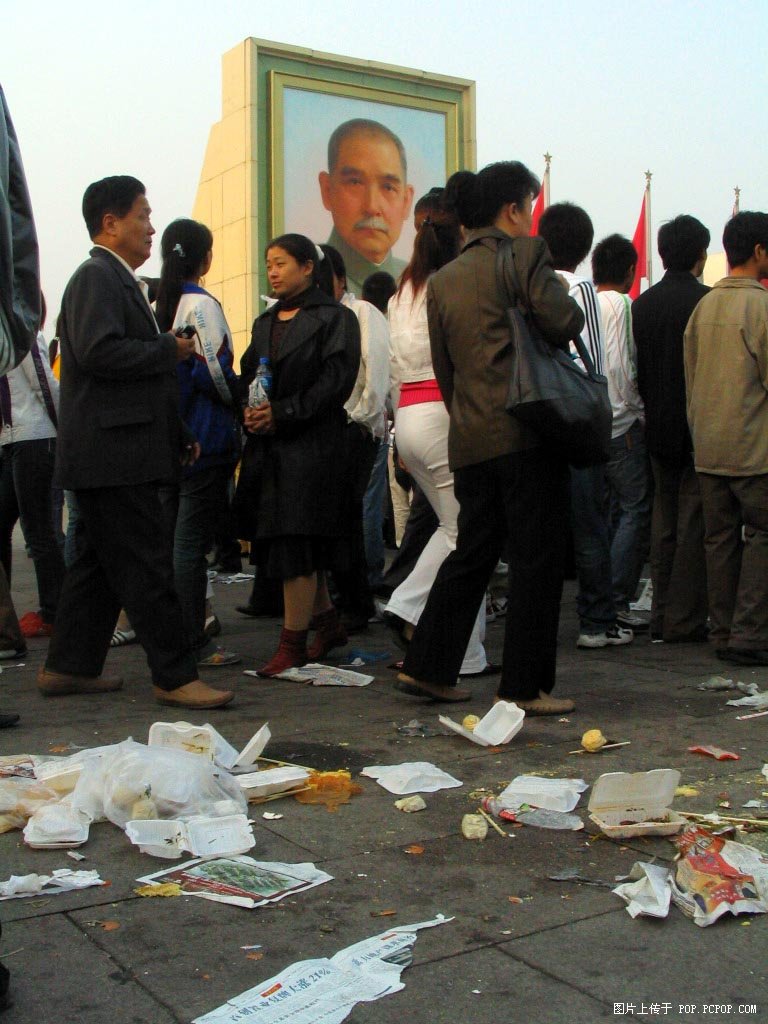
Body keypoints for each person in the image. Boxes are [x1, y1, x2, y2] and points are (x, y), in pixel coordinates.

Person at [37, 176, 233, 709]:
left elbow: (130, 376)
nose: (151, 228)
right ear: (110, 223)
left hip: (116, 449)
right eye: (142, 216)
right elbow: (99, 353)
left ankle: (67, 668)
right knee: (148, 566)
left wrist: (177, 431)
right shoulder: (97, 278)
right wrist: (168, 349)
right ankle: (175, 675)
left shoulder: (119, 280)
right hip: (113, 455)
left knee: (97, 569)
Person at [398, 161, 584, 711]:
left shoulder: (446, 278)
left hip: (470, 435)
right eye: (529, 206)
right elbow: (564, 322)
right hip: (526, 431)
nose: (530, 217)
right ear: (512, 209)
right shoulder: (525, 255)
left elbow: (446, 367)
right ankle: (524, 686)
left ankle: (428, 666)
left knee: (472, 552)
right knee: (536, 559)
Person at [235, 234, 360, 676]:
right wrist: (250, 410)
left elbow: (335, 383)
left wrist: (284, 412)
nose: (273, 271)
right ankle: (327, 625)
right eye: (269, 263)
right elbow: (249, 374)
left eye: (281, 263)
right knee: (292, 544)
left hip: (314, 447)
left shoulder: (336, 318)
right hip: (271, 448)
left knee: (298, 544)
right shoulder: (265, 322)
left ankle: (292, 644)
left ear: (308, 267)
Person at [384, 189, 489, 676]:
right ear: (461, 231)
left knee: (460, 530)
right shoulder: (454, 285)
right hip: (443, 414)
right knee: (464, 533)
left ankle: (467, 654)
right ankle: (408, 604)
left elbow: (392, 372)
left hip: (408, 416)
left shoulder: (400, 293)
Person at [538, 203, 632, 651]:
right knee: (590, 527)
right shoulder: (580, 289)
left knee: (541, 530)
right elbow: (594, 361)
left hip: (537, 419)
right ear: (583, 248)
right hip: (577, 421)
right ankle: (596, 622)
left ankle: (535, 622)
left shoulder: (531, 285)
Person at [154, 218, 242, 668]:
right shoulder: (200, 305)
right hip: (203, 436)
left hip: (167, 435)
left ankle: (176, 633)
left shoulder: (157, 304)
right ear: (205, 259)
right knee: (189, 545)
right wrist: (242, 401)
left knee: (174, 541)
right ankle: (192, 641)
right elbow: (215, 372)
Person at [684, 211, 768, 665]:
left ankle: (722, 631)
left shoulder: (705, 306)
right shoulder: (761, 307)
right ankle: (749, 634)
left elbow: (691, 378)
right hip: (754, 448)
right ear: (758, 251)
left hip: (709, 445)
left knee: (718, 541)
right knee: (761, 536)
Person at [633, 215, 710, 643]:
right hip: (696, 428)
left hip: (656, 427)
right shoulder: (706, 301)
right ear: (700, 254)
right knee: (693, 525)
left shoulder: (643, 305)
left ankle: (659, 615)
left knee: (662, 525)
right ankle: (685, 618)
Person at [316, 244, 390, 638]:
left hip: (357, 429)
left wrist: (359, 420)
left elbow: (376, 374)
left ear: (340, 279)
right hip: (324, 432)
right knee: (336, 519)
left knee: (353, 517)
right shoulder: (317, 316)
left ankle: (358, 601)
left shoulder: (363, 313)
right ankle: (343, 600)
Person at [593, 234, 651, 630]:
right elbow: (622, 367)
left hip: (588, 424)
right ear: (630, 271)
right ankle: (615, 598)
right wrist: (639, 411)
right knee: (636, 508)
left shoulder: (584, 302)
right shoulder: (622, 305)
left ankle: (602, 595)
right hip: (620, 423)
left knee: (608, 513)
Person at [0, 295, 66, 639]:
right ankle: (7, 617)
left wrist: (64, 431)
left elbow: (45, 385)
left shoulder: (22, 331)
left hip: (35, 437)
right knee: (13, 526)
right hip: (12, 439)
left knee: (38, 530)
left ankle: (55, 612)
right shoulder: (6, 335)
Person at [319, 119, 414, 296]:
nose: (372, 207)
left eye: (388, 187)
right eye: (355, 183)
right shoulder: (305, 284)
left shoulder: (420, 285)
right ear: (327, 190)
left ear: (407, 201)